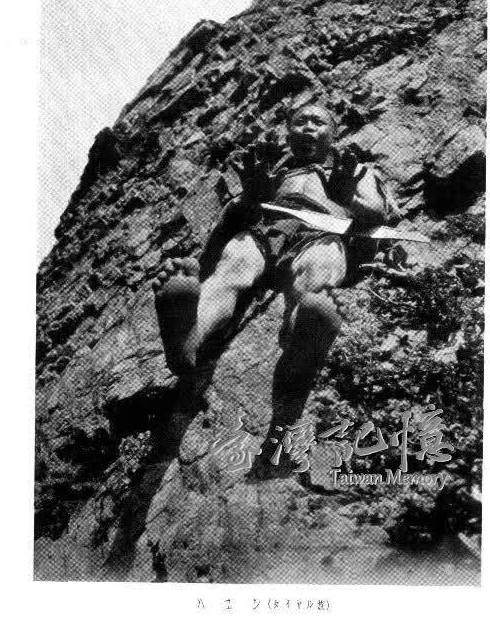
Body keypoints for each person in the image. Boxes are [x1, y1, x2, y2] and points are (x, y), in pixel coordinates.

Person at [153, 96, 393, 422]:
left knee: (318, 270)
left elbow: (378, 215)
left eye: (318, 122)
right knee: (235, 262)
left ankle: (301, 348)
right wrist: (251, 196)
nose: (308, 127)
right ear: (288, 133)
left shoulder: (353, 171)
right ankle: (189, 339)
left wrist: (348, 197)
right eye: (300, 122)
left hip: (322, 233)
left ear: (334, 133)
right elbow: (232, 218)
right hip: (269, 231)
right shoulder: (276, 169)